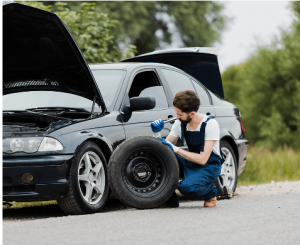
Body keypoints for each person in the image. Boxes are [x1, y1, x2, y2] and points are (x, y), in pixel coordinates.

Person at [150, 90, 224, 208]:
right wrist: (156, 134)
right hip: (190, 160)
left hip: (209, 165)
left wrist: (176, 149)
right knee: (160, 157)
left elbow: (203, 159)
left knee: (188, 188)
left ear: (192, 114)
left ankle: (211, 193)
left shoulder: (210, 124)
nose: (176, 117)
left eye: (180, 114)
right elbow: (164, 148)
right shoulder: (180, 123)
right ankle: (167, 198)